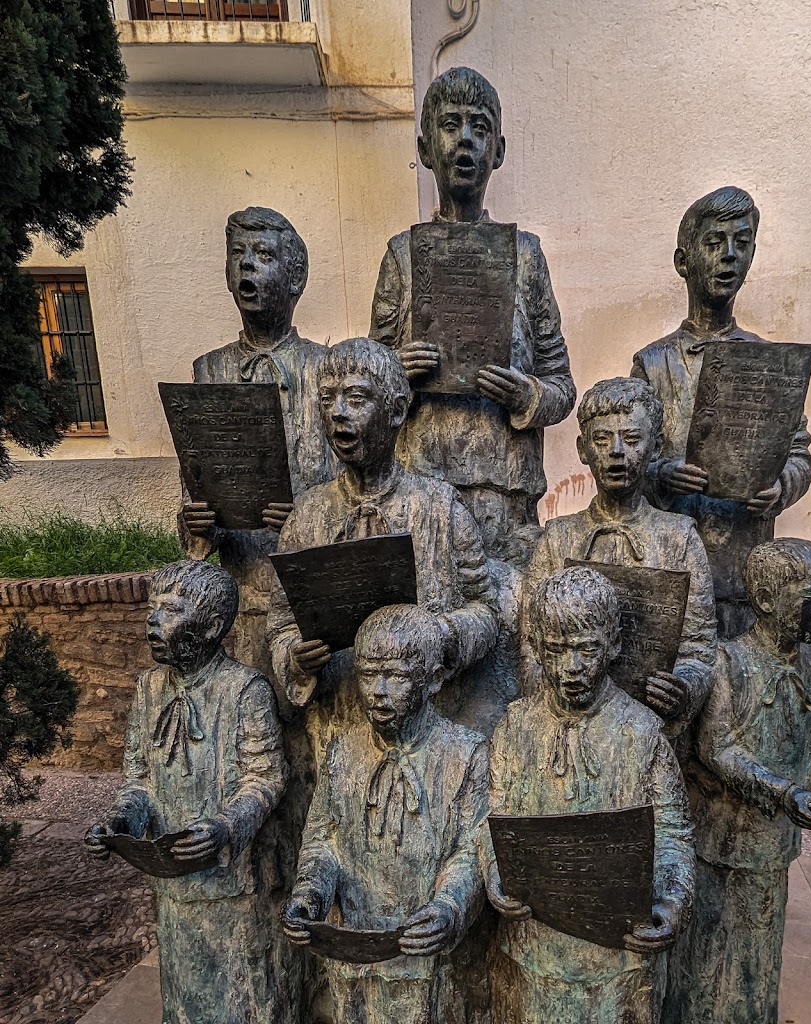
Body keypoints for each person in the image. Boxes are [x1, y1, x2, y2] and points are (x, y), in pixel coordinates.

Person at [370, 67, 575, 564]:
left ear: (498, 151)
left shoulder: (526, 257)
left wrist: (526, 393)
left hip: (505, 493)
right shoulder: (402, 256)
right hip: (422, 491)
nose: (465, 140)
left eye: (479, 127)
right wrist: (396, 371)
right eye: (450, 125)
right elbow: (366, 390)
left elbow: (563, 386)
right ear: (425, 150)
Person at [84, 560, 301, 1024]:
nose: (153, 618)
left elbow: (266, 776)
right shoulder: (147, 689)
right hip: (174, 884)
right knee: (186, 999)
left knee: (241, 999)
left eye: (171, 609)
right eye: (153, 607)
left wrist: (225, 827)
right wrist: (120, 822)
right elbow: (138, 779)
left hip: (234, 886)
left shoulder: (245, 689)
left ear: (212, 626)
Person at [485, 567, 695, 1024]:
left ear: (613, 646)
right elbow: (492, 819)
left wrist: (670, 903)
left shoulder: (642, 732)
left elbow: (675, 834)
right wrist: (494, 875)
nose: (571, 668)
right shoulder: (514, 728)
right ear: (538, 649)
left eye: (586, 649)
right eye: (556, 651)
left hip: (620, 962)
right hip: (535, 950)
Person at [267, 337, 498, 748]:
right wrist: (295, 656)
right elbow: (282, 625)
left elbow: (487, 609)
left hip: (427, 734)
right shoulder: (307, 517)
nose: (337, 413)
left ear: (395, 409)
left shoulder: (439, 507)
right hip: (340, 729)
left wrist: (442, 633)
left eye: (356, 398)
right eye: (327, 399)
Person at [665, 538, 811, 1024]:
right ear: (768, 600)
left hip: (772, 842)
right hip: (721, 840)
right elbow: (717, 748)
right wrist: (781, 790)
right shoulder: (727, 664)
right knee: (708, 951)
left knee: (758, 950)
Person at [281, 605, 488, 1024]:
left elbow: (471, 851)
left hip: (430, 962)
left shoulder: (466, 754)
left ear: (433, 678)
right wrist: (310, 895)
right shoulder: (343, 749)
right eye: (367, 674)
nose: (377, 691)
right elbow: (325, 840)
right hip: (354, 956)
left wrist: (448, 907)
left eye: (394, 676)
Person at [630, 187, 811, 638]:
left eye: (742, 243)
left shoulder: (770, 363)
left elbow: (800, 454)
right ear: (683, 261)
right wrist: (661, 475)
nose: (730, 256)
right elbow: (626, 454)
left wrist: (781, 487)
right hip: (672, 567)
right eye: (714, 244)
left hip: (745, 571)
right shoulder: (653, 364)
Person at [179, 207, 334, 679]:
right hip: (241, 596)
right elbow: (192, 490)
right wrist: (195, 523)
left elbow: (355, 488)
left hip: (314, 596)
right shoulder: (208, 373)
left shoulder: (328, 369)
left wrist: (310, 518)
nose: (247, 264)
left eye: (263, 254)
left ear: (296, 276)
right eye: (237, 254)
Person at [523, 377, 716, 737]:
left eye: (631, 439)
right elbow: (531, 645)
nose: (615, 451)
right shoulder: (558, 537)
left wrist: (684, 689)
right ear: (583, 449)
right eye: (601, 440)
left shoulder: (679, 537)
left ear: (655, 446)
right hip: (567, 725)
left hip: (650, 730)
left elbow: (699, 649)